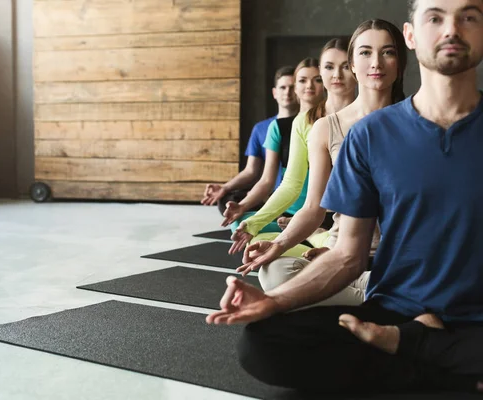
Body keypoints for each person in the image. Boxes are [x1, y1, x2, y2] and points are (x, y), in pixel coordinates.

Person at [207, 1, 483, 395]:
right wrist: (276, 302)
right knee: (263, 344)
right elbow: (347, 253)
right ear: (412, 35)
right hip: (396, 307)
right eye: (435, 18)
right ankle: (443, 365)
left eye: (469, 17)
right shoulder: (369, 136)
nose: (452, 29)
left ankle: (417, 349)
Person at [232, 20, 407, 308]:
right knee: (274, 270)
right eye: (364, 53)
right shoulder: (325, 128)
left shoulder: (416, 122)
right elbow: (314, 208)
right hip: (340, 252)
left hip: (395, 257)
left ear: (400, 61)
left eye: (387, 52)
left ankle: (351, 292)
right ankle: (379, 297)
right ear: (352, 63)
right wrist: (278, 245)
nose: (376, 62)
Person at [227, 37, 357, 254]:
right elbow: (290, 184)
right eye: (329, 67)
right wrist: (255, 222)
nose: (337, 74)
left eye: (345, 66)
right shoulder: (304, 121)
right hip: (308, 213)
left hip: (350, 222)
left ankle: (317, 239)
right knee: (258, 248)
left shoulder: (371, 118)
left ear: (355, 68)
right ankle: (312, 239)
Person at [220, 58, 324, 230]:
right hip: (286, 212)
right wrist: (243, 206)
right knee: (240, 224)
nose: (309, 86)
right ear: (296, 87)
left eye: (317, 79)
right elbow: (266, 180)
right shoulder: (279, 127)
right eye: (302, 80)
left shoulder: (333, 122)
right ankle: (301, 234)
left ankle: (310, 234)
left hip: (322, 213)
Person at [201, 66, 298, 215]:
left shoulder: (306, 125)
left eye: (292, 87)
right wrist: (225, 187)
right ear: (274, 93)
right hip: (267, 193)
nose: (287, 92)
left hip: (294, 197)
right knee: (227, 200)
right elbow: (251, 171)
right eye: (283, 87)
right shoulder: (261, 128)